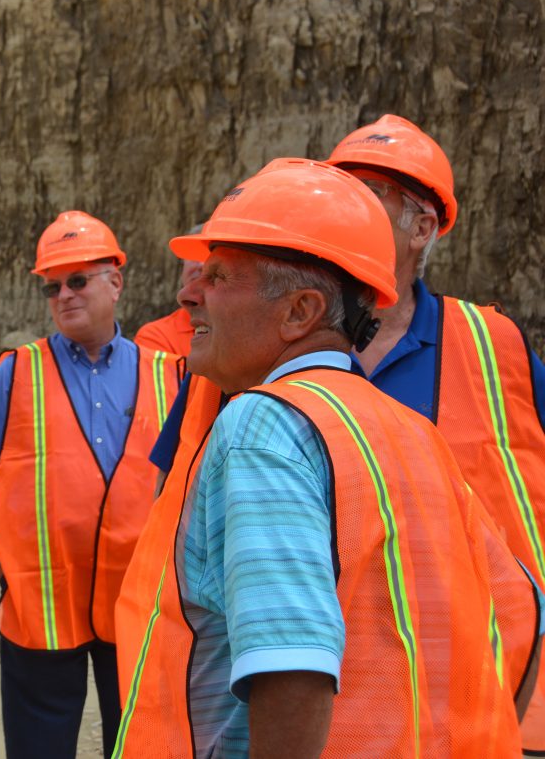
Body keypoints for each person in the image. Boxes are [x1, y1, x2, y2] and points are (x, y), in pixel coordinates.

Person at [113, 158, 540, 758]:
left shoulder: (265, 423)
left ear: (299, 312)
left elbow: (291, 663)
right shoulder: (413, 433)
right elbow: (521, 615)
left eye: (218, 277)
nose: (187, 294)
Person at [325, 115, 545, 751]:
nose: (344, 208)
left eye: (367, 193)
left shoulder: (489, 344)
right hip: (324, 680)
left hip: (473, 684)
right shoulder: (280, 337)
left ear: (422, 226)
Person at [0, 211, 180, 759]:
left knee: (135, 741)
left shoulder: (167, 373)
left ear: (116, 281)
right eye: (52, 286)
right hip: (42, 599)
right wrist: (4, 563)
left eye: (78, 280)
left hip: (135, 601)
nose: (64, 295)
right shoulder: (18, 370)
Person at [134, 226, 203, 357]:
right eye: (193, 254)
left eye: (208, 256)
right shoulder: (158, 335)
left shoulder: (248, 329)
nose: (200, 265)